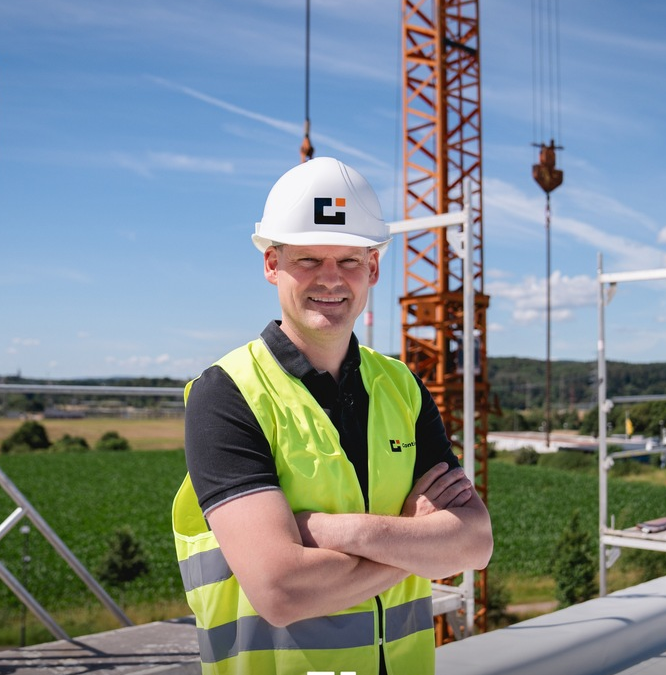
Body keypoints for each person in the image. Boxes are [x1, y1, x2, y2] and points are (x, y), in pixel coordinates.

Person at [172, 157, 493, 675]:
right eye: (307, 259)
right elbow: (281, 591)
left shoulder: (402, 387)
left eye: (348, 260)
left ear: (373, 269)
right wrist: (415, 540)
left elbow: (475, 542)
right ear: (272, 264)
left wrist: (337, 532)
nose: (330, 278)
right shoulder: (228, 394)